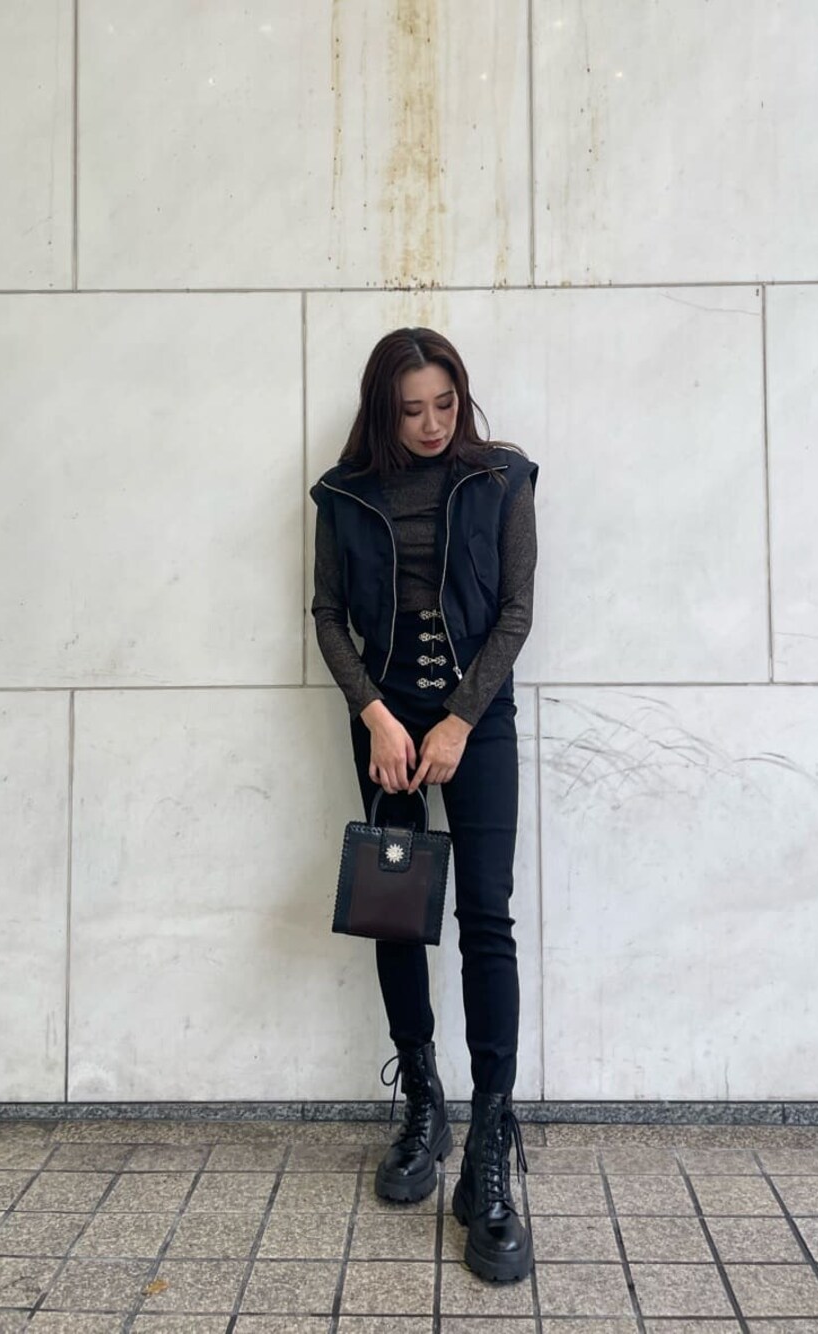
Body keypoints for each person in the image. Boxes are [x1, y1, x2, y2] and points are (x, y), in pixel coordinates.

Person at [309, 327, 538, 1283]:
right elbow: (328, 615)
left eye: (445, 403)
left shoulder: (502, 478)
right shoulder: (344, 493)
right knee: (395, 911)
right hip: (386, 721)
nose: (434, 423)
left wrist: (457, 722)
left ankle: (489, 1141)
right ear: (383, 411)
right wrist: (375, 713)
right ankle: (423, 1103)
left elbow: (516, 612)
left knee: (486, 915)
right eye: (412, 409)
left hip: (475, 720)